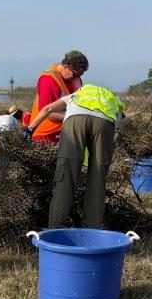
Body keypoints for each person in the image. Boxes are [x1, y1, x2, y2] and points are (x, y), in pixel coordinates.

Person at [24, 83, 125, 228]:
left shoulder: (77, 95)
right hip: (105, 122)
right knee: (98, 177)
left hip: (75, 120)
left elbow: (47, 108)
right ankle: (92, 228)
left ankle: (56, 228)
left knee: (66, 175)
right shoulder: (113, 100)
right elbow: (117, 125)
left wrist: (29, 129)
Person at [30, 50, 87, 144]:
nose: (76, 78)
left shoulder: (73, 78)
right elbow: (48, 113)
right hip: (45, 136)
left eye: (79, 76)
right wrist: (75, 119)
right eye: (75, 75)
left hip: (64, 132)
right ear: (65, 67)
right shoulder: (48, 80)